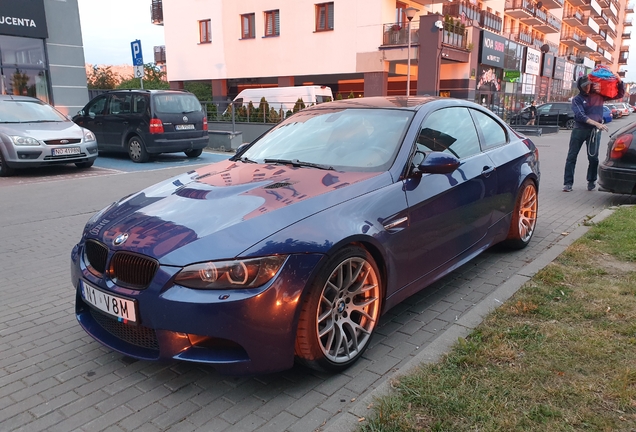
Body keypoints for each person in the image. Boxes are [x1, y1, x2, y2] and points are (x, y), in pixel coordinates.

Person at [562, 74, 624, 192]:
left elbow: (618, 95)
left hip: (594, 132)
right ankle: (568, 183)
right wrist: (597, 124)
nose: (587, 87)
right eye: (585, 85)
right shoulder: (577, 99)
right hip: (579, 130)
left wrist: (619, 81)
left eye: (589, 84)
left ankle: (591, 181)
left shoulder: (599, 96)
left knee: (593, 158)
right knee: (572, 157)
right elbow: (580, 115)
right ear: (580, 87)